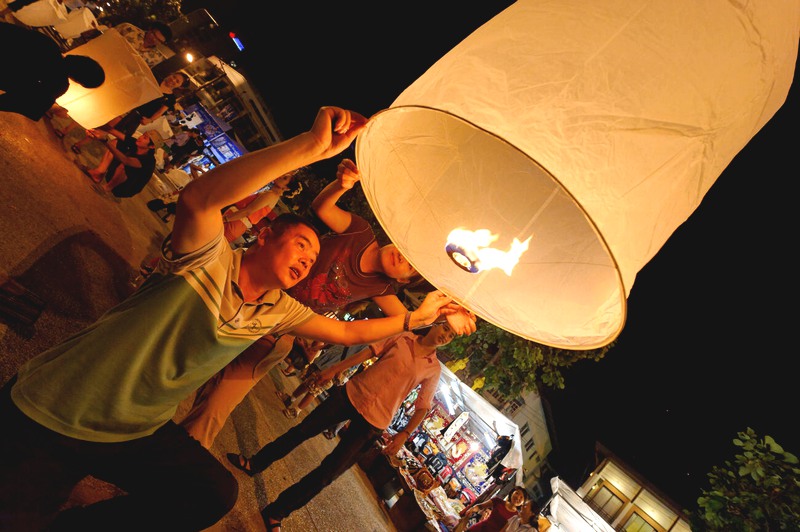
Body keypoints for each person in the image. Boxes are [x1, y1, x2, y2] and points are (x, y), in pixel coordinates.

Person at [0, 105, 461, 531]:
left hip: (129, 431)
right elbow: (201, 199)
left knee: (212, 493)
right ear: (263, 238)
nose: (309, 258)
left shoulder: (280, 309)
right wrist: (310, 148)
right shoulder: (206, 258)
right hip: (54, 409)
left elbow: (345, 330)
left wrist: (420, 317)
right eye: (302, 244)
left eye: (314, 254)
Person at [177, 157, 477, 449]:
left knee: (218, 405)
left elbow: (412, 320)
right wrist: (340, 185)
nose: (404, 260)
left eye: (410, 269)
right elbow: (322, 207)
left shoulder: (382, 288)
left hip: (282, 327)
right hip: (254, 296)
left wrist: (446, 312)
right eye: (407, 252)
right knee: (186, 362)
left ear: (401, 282)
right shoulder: (360, 231)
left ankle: (181, 451)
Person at [225, 317, 475, 532]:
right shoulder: (403, 336)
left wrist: (403, 435)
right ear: (435, 324)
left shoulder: (433, 369)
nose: (446, 336)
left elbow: (423, 406)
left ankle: (277, 511)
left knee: (328, 474)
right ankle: (254, 463)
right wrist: (334, 369)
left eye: (451, 335)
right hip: (351, 395)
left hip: (375, 421)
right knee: (299, 432)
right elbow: (368, 352)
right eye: (445, 329)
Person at [0, 21, 105, 121]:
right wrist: (54, 108)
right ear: (79, 81)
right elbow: (25, 103)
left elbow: (9, 29)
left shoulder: (49, 44)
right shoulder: (58, 84)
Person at [69, 71, 187, 154]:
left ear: (179, 86)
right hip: (125, 105)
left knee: (108, 130)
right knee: (95, 117)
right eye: (174, 77)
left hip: (135, 117)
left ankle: (79, 144)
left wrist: (150, 120)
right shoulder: (153, 78)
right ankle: (66, 130)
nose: (173, 81)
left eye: (177, 82)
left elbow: (160, 112)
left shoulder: (170, 99)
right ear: (171, 74)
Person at [223, 169, 302, 244]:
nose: (281, 176)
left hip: (234, 222)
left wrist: (226, 219)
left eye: (285, 178)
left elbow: (248, 211)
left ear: (286, 188)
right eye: (284, 175)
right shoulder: (271, 194)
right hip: (235, 221)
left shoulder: (271, 195)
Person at [82, 129, 163, 198]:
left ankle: (106, 188)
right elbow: (114, 131)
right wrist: (99, 127)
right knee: (116, 142)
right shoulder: (137, 143)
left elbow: (126, 160)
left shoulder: (148, 160)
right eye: (142, 135)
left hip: (125, 188)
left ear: (151, 146)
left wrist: (105, 141)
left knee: (126, 164)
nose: (140, 138)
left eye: (145, 138)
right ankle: (98, 173)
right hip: (116, 175)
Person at [457, 486, 528, 532]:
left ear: (522, 503)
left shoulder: (517, 517)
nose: (518, 497)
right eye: (517, 493)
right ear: (512, 493)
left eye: (521, 497)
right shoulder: (498, 501)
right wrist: (472, 509)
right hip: (479, 528)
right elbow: (480, 506)